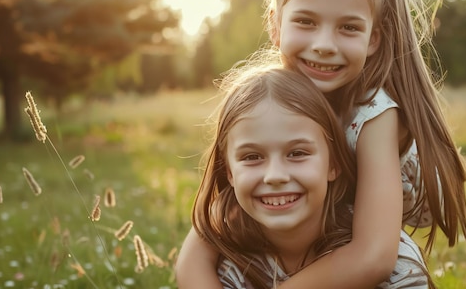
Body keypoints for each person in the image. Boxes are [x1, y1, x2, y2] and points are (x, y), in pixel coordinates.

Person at [177, 0, 466, 288]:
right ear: (275, 25)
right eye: (305, 21)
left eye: (348, 27)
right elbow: (197, 251)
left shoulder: (374, 114)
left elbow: (374, 255)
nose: (324, 45)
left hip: (358, 238)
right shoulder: (263, 102)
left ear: (373, 39)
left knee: (393, 264)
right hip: (301, 235)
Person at [179, 65, 430, 288]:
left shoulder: (398, 271)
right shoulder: (234, 271)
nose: (275, 176)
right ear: (230, 173)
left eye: (297, 153)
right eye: (252, 157)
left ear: (333, 164)